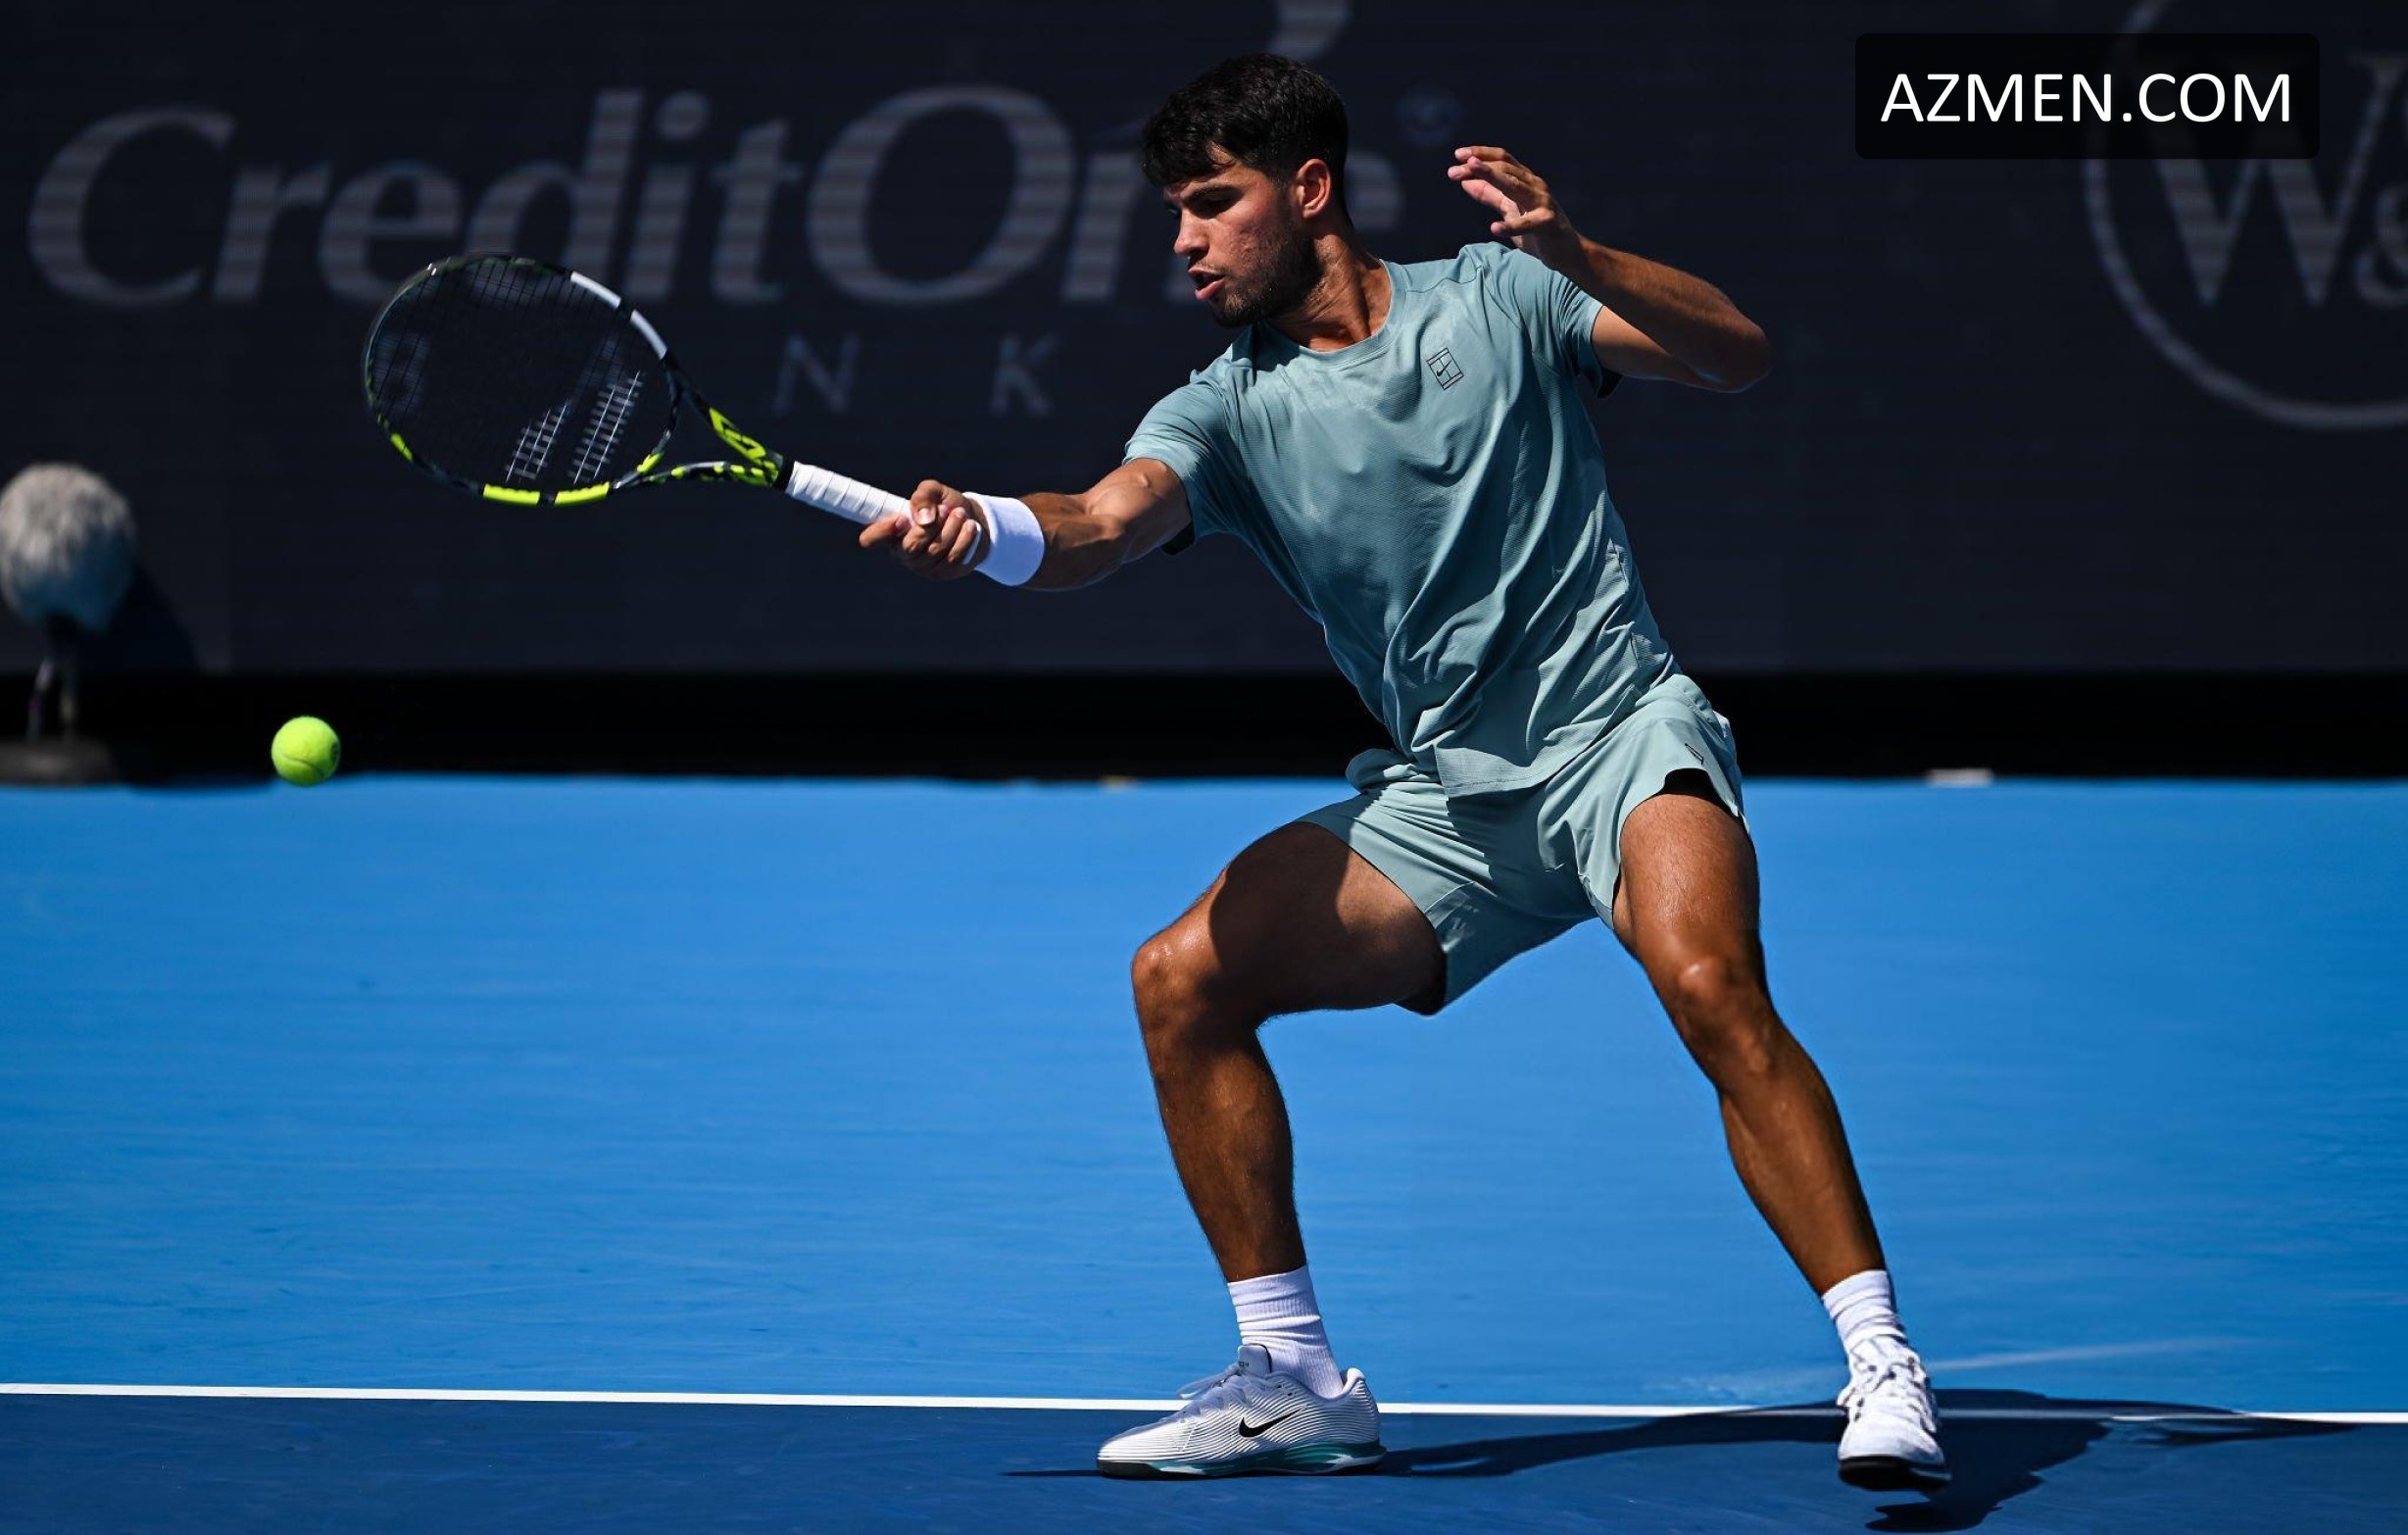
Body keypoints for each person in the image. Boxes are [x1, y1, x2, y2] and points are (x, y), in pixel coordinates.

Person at [862, 53, 1947, 1490]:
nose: (1183, 240)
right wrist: (989, 529)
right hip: (1447, 803)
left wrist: (1574, 251)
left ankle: (1882, 1363)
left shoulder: (1502, 298)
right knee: (1180, 979)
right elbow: (1100, 523)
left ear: (1309, 189)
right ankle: (1295, 1380)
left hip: (1620, 735)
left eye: (1211, 203)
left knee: (1707, 981)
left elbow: (1734, 351)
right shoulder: (1221, 410)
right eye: (1173, 212)